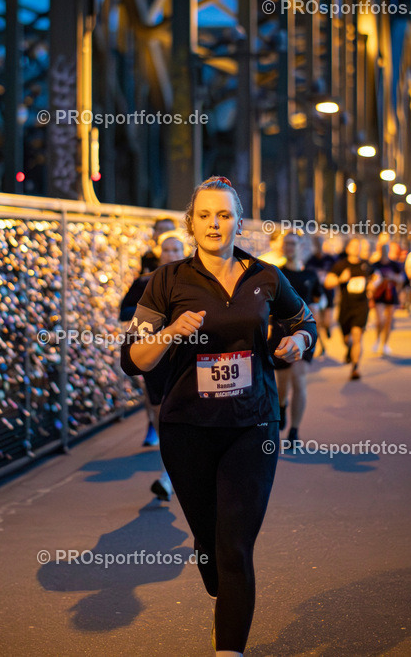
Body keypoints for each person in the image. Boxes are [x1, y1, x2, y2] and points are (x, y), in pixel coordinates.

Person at [120, 176, 316, 656]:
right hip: (187, 427)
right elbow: (133, 358)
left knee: (235, 547)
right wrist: (170, 333)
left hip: (253, 425)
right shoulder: (167, 280)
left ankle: (229, 648)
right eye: (205, 215)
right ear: (192, 223)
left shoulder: (266, 276)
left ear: (238, 222)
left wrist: (299, 341)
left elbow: (303, 319)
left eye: (224, 215)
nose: (214, 223)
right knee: (211, 544)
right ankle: (211, 560)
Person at [119, 229, 187, 499]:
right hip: (154, 357)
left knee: (186, 412)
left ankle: (171, 476)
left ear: (185, 253)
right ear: (159, 254)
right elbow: (123, 311)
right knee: (162, 416)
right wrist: (148, 314)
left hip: (184, 357)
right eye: (167, 250)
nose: (171, 254)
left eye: (176, 250)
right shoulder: (144, 282)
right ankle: (170, 470)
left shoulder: (193, 283)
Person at [273, 232, 323, 445]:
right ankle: (282, 405)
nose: (289, 247)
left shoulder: (310, 275)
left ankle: (294, 431)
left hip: (304, 335)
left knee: (299, 379)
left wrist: (318, 337)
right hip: (279, 334)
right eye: (286, 244)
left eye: (293, 244)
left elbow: (315, 307)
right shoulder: (276, 274)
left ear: (301, 247)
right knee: (282, 383)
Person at [325, 238, 374, 380]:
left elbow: (375, 277)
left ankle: (355, 368)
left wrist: (372, 284)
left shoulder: (365, 265)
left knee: (358, 335)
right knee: (347, 339)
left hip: (361, 306)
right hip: (346, 307)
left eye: (358, 246)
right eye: (353, 246)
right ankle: (349, 347)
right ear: (347, 249)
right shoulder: (340, 265)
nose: (356, 249)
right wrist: (341, 279)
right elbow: (328, 283)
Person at [305, 235, 337, 355]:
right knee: (317, 322)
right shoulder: (310, 260)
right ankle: (321, 345)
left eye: (320, 243)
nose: (318, 246)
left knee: (327, 322)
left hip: (328, 294)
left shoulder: (330, 259)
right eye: (316, 243)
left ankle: (328, 328)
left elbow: (337, 274)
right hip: (315, 295)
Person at [370, 241, 404, 356]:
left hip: (391, 294)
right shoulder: (375, 265)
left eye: (386, 249)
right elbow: (370, 280)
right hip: (379, 295)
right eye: (382, 249)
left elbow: (401, 279)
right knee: (380, 320)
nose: (384, 252)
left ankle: (385, 344)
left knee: (389, 321)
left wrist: (393, 277)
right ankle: (377, 339)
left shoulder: (394, 264)